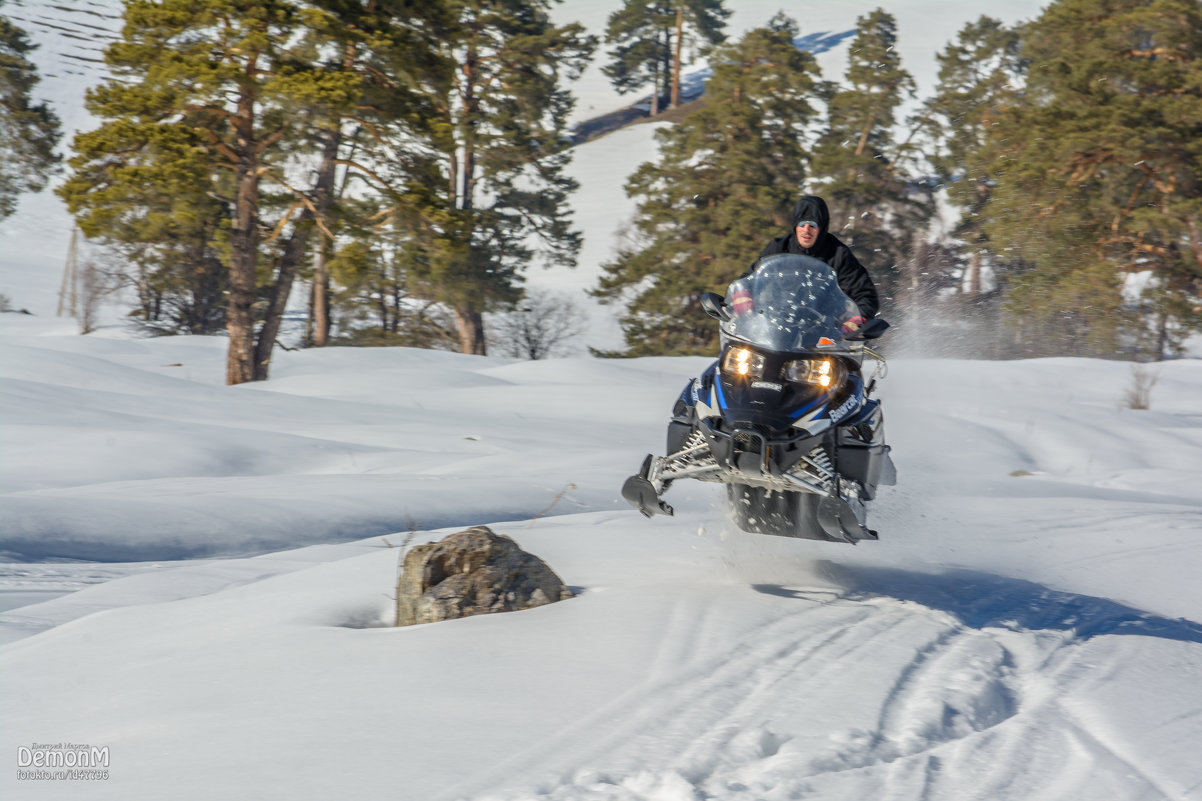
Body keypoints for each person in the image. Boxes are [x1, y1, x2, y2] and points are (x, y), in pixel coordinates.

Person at [754, 194, 878, 334]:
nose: (806, 229)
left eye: (813, 225)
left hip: (825, 334)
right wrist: (741, 297)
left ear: (822, 228)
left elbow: (865, 294)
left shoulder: (838, 254)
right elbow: (752, 278)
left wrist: (856, 319)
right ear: (795, 225)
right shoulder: (779, 247)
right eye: (802, 223)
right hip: (775, 328)